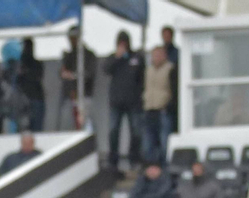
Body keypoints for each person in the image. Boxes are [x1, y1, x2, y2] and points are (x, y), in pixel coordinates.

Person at [104, 32, 143, 172]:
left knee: (136, 132)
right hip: (116, 102)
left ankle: (134, 160)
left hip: (133, 102)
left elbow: (141, 77)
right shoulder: (112, 57)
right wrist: (117, 57)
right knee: (113, 131)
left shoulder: (136, 58)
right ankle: (113, 161)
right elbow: (106, 69)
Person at [140, 45, 173, 166]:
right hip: (149, 109)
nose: (156, 58)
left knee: (164, 142)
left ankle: (165, 166)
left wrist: (167, 104)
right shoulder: (148, 70)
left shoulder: (170, 68)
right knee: (148, 143)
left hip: (162, 109)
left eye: (159, 55)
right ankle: (150, 168)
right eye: (154, 55)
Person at [58, 26, 97, 131]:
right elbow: (62, 73)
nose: (71, 41)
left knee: (85, 126)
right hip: (70, 97)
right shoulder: (69, 55)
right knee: (67, 127)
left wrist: (73, 76)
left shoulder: (88, 55)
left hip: (84, 97)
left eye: (73, 38)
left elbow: (89, 74)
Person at [13, 39, 46, 133]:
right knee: (24, 130)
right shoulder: (19, 64)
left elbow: (36, 77)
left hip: (34, 99)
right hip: (24, 100)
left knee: (35, 130)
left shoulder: (35, 64)